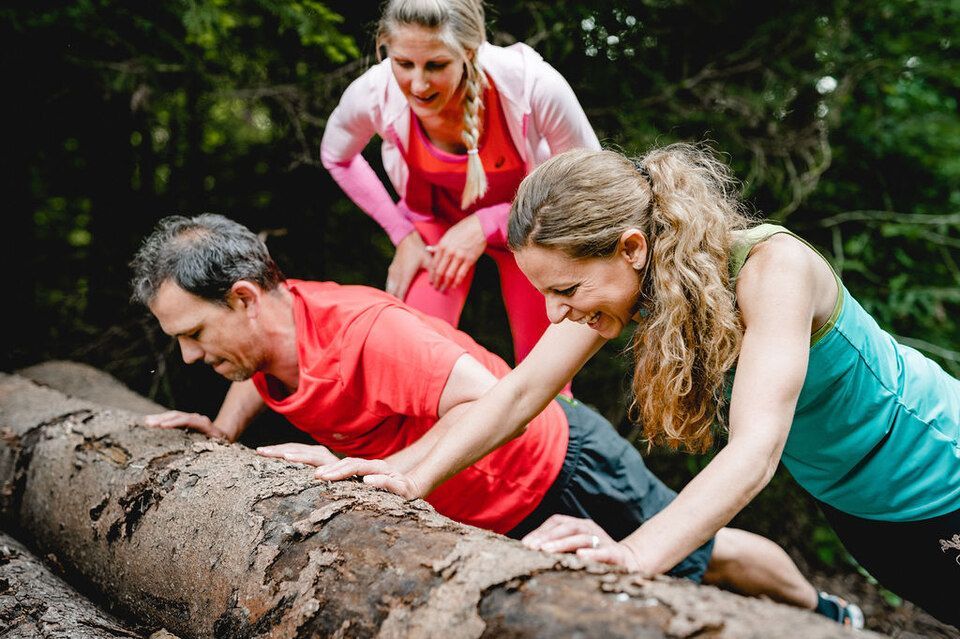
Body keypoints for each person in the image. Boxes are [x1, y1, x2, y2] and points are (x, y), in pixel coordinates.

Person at [315, 144, 960, 628]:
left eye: (564, 291)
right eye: (545, 293)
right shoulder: (618, 290)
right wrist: (407, 477)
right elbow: (517, 393)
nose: (555, 313)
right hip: (857, 503)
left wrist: (632, 554)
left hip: (940, 473)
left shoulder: (774, 270)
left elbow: (754, 452)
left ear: (631, 247)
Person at [130, 213, 857, 624]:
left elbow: (489, 395)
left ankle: (824, 609)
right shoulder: (267, 346)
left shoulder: (366, 332)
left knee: (711, 553)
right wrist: (223, 432)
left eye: (194, 333)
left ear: (247, 299)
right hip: (475, 505)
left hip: (556, 468)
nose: (191, 357)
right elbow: (261, 377)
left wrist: (394, 473)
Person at [320, 0, 600, 367]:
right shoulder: (374, 93)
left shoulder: (532, 86)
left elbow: (591, 180)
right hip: (435, 227)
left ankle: (558, 422)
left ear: (469, 52)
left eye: (436, 65)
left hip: (532, 228)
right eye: (403, 64)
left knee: (545, 366)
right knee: (414, 355)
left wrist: (488, 224)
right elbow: (336, 155)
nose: (418, 84)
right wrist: (402, 234)